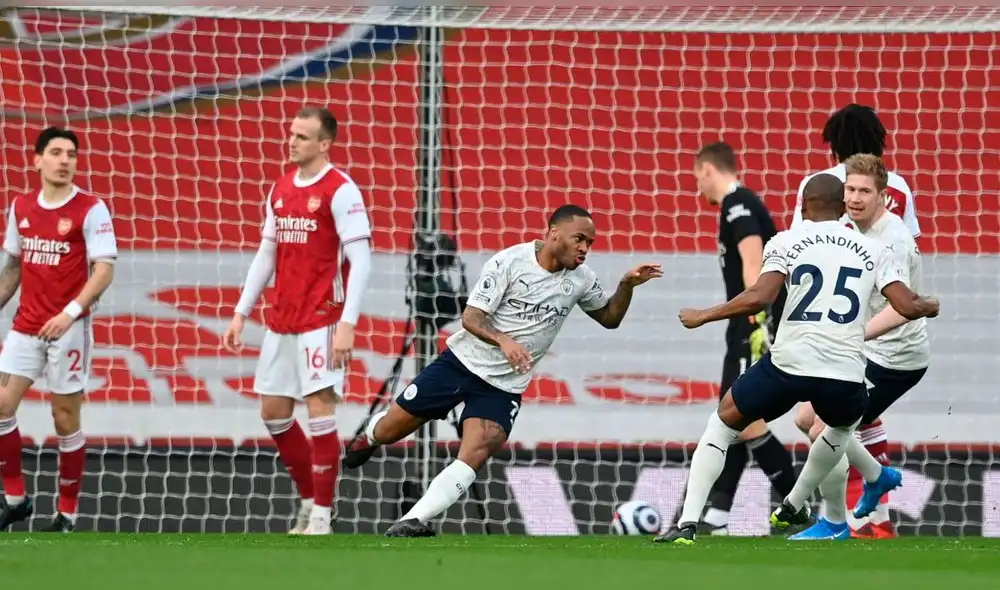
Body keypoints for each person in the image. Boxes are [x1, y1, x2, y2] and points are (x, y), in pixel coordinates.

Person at [343, 205, 662, 537]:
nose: (584, 248)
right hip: (460, 365)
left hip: (503, 386)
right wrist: (504, 341)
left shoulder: (581, 279)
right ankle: (370, 436)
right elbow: (471, 317)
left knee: (478, 450)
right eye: (579, 239)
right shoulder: (509, 262)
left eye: (590, 243)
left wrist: (626, 285)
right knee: (390, 431)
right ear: (554, 233)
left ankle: (412, 520)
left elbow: (609, 318)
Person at [654, 173, 939, 545]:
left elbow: (759, 297)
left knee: (723, 423)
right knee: (839, 429)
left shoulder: (786, 241)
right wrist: (928, 305)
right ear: (842, 208)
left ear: (804, 206)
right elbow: (905, 305)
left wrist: (704, 315)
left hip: (789, 364)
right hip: (844, 371)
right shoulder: (874, 248)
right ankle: (798, 502)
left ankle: (688, 524)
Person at [223, 106, 373, 536]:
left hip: (322, 319)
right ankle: (310, 500)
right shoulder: (281, 188)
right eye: (291, 134)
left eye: (302, 136)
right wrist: (241, 311)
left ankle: (322, 515)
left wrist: (348, 323)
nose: (292, 141)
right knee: (273, 413)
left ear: (325, 144)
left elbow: (361, 259)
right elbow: (267, 254)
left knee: (320, 411)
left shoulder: (341, 190)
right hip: (282, 319)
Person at [793, 104, 922, 538]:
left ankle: (839, 518)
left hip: (848, 323)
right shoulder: (897, 186)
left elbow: (801, 250)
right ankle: (875, 514)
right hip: (881, 316)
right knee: (849, 417)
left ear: (833, 144)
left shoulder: (820, 184)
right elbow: (910, 251)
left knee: (819, 423)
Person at [0, 127, 118, 532]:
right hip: (26, 326)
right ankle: (16, 499)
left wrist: (69, 313)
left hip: (68, 329)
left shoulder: (91, 208)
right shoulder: (20, 207)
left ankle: (66, 513)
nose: (65, 160)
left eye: (71, 154)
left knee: (64, 418)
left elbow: (104, 271)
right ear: (37, 160)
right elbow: (13, 268)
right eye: (56, 152)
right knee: (1, 405)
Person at [692, 142, 796, 534]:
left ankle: (798, 505)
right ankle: (718, 514)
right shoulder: (738, 205)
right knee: (730, 416)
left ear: (707, 169)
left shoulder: (738, 204)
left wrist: (758, 321)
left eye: (698, 177)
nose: (698, 186)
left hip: (752, 324)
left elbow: (754, 261)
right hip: (744, 323)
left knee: (742, 417)